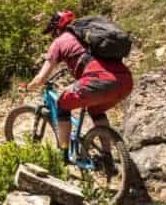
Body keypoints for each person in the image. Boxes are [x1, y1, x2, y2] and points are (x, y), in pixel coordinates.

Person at [22, 10, 134, 162]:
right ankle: (106, 155)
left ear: (57, 29)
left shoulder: (60, 42)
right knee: (96, 110)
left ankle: (63, 155)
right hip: (125, 81)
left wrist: (28, 87)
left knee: (61, 104)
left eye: (52, 32)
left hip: (98, 80)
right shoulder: (88, 36)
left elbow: (41, 78)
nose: (52, 36)